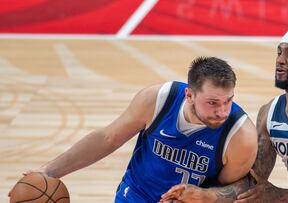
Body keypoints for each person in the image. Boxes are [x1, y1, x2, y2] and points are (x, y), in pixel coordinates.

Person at [8, 56, 257, 202]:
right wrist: (49, 171)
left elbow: (240, 187)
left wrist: (206, 197)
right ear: (189, 95)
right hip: (136, 193)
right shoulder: (157, 100)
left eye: (228, 101)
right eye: (213, 103)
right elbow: (108, 138)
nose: (222, 111)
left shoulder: (240, 136)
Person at [160, 27, 288, 203]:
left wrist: (277, 196)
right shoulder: (269, 113)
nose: (280, 60)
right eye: (279, 53)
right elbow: (253, 181)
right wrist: (202, 196)